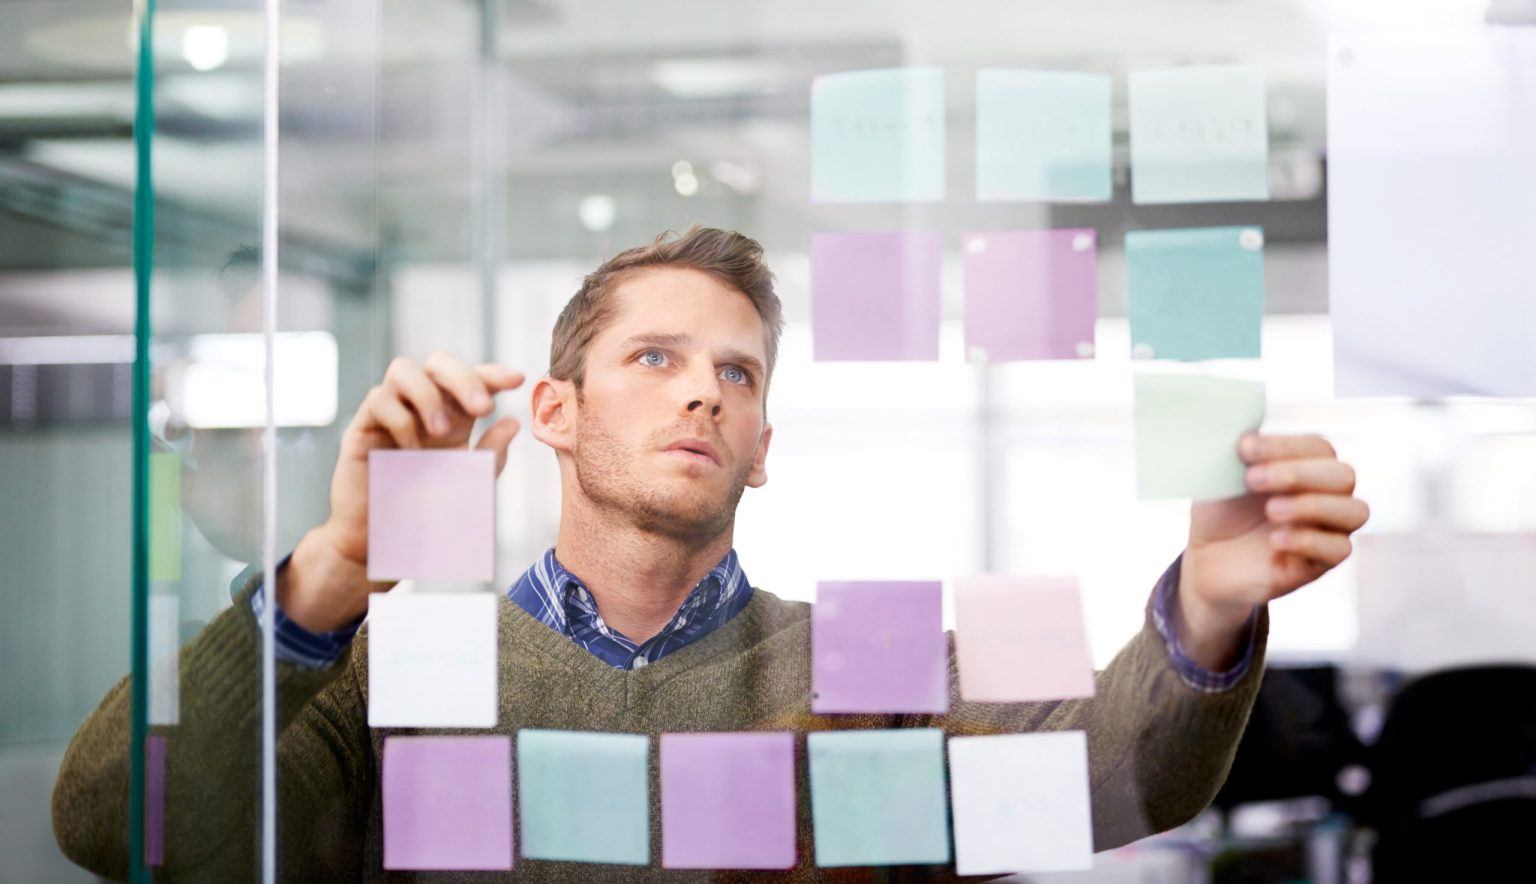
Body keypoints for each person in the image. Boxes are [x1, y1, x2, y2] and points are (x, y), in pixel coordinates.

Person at [53, 226, 1370, 881]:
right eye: (657, 359)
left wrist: (1202, 609)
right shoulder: (401, 668)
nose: (705, 394)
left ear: (762, 447)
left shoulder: (873, 654)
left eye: (738, 374)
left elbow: (1118, 779)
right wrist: (337, 569)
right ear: (551, 417)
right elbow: (118, 824)